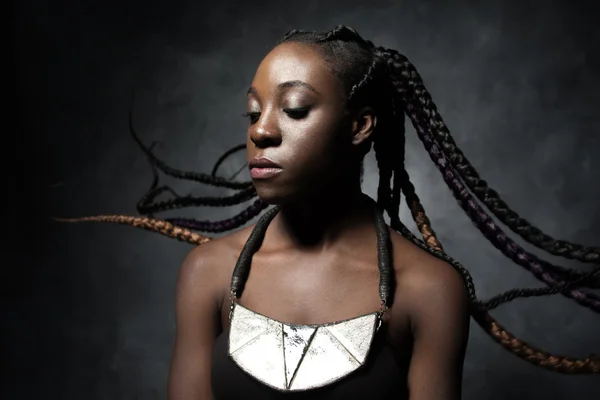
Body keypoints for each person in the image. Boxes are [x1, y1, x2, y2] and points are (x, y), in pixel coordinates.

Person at [59, 26, 600, 399]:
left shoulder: (428, 290)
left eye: (293, 109)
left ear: (360, 126)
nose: (261, 130)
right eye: (253, 110)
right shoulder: (208, 275)